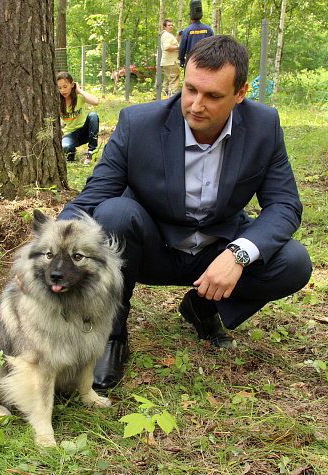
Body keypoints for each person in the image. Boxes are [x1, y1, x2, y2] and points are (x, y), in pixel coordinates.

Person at [57, 35, 312, 390]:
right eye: (190, 89)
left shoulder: (263, 126)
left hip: (216, 252)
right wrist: (48, 255)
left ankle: (202, 308)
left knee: (295, 261)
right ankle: (111, 336)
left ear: (241, 94)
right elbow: (91, 198)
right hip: (149, 250)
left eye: (213, 96)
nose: (195, 104)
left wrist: (238, 255)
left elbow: (285, 204)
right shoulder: (138, 124)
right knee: (114, 212)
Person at [57, 71, 100, 165]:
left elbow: (96, 102)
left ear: (72, 84)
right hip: (71, 134)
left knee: (93, 115)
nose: (63, 90)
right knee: (65, 147)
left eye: (65, 87)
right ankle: (71, 154)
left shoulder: (79, 96)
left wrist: (79, 91)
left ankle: (91, 153)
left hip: (85, 131)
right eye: (60, 88)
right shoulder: (58, 101)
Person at [178, 0, 214, 67]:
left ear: (191, 16)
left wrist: (181, 58)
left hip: (192, 62)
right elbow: (214, 46)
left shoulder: (187, 30)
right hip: (206, 61)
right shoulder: (208, 29)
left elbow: (182, 47)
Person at [160, 19, 180, 97]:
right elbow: (167, 47)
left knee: (167, 81)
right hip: (171, 61)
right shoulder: (166, 35)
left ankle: (165, 98)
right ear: (165, 27)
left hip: (168, 62)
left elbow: (175, 42)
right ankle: (172, 98)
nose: (171, 27)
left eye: (172, 25)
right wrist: (179, 47)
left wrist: (178, 35)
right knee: (174, 81)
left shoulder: (169, 35)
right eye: (169, 25)